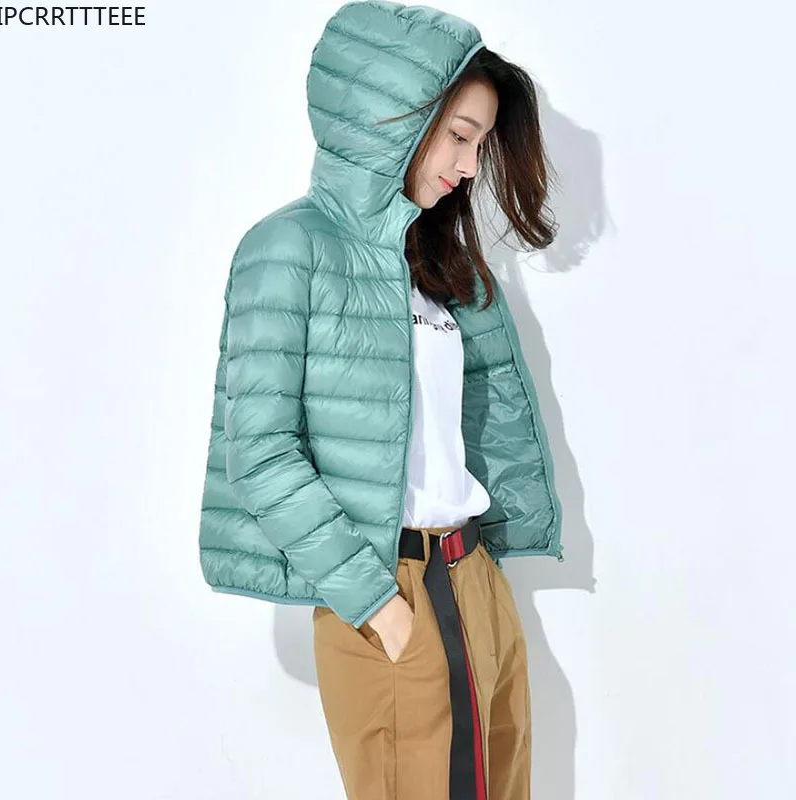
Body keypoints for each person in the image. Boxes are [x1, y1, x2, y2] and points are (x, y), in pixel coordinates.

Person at [198, 2, 564, 798]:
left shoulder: (444, 266)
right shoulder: (287, 249)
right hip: (386, 588)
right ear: (392, 116)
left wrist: (488, 585)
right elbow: (258, 451)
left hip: (475, 583)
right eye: (460, 136)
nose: (470, 166)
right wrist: (378, 606)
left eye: (480, 144)